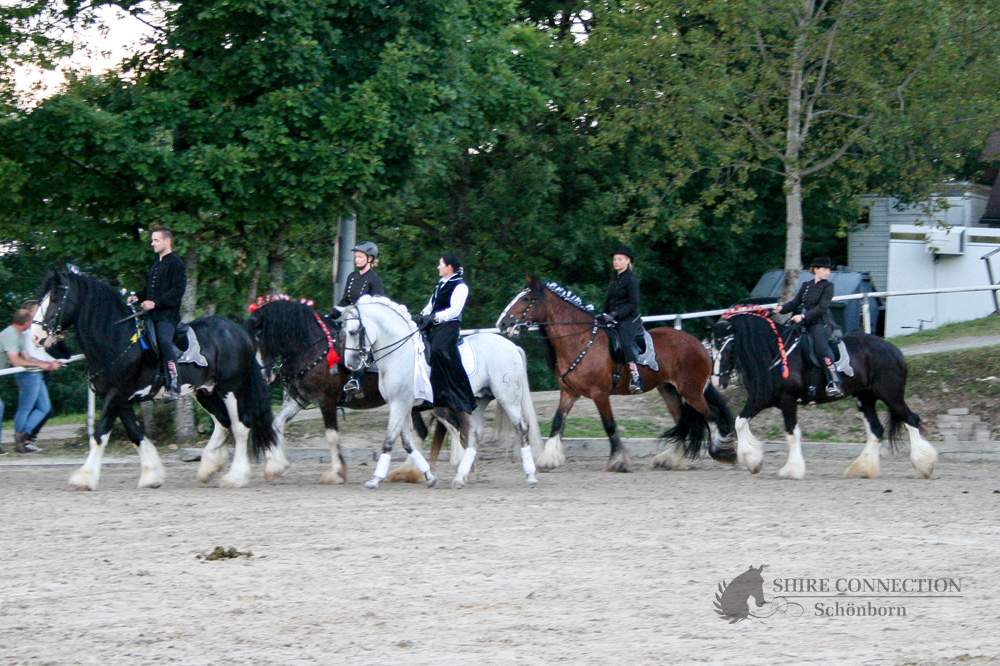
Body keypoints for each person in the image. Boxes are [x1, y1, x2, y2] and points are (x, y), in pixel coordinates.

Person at [413, 254, 476, 415]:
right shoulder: (441, 285)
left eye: (440, 264)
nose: (438, 267)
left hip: (449, 326)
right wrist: (422, 315)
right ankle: (422, 392)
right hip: (434, 325)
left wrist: (435, 317)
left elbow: (455, 310)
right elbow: (431, 305)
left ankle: (443, 396)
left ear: (449, 267)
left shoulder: (460, 286)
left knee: (437, 350)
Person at [774, 257, 844, 398]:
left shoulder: (828, 287)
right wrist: (781, 308)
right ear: (816, 270)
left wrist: (803, 317)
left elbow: (822, 307)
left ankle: (833, 381)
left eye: (828, 270)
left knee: (820, 347)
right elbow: (795, 303)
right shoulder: (806, 285)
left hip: (821, 324)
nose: (827, 272)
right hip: (806, 323)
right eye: (824, 269)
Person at [130, 227, 186, 399]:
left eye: (156, 240)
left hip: (167, 316)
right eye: (152, 240)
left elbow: (178, 291)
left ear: (167, 241)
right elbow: (148, 289)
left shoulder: (176, 263)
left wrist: (155, 303)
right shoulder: (155, 263)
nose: (152, 243)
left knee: (163, 341)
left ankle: (174, 383)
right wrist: (137, 297)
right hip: (149, 315)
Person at [0, 307, 62, 453]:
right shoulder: (10, 334)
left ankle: (23, 437)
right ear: (27, 323)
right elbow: (16, 361)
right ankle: (21, 439)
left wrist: (48, 364)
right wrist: (43, 364)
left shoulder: (19, 335)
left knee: (44, 407)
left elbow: (27, 358)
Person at [334, 241, 385, 395]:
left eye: (360, 257)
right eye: (356, 257)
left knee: (357, 343)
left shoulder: (374, 279)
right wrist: (332, 314)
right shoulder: (352, 277)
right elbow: (345, 300)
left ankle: (356, 379)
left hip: (367, 322)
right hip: (350, 319)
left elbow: (377, 304)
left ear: (369, 259)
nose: (356, 260)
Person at [20, 300, 69, 447]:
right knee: (27, 408)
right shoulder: (25, 334)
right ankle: (24, 438)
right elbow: (28, 357)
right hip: (30, 373)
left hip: (38, 373)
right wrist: (49, 364)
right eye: (36, 311)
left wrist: (54, 362)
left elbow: (42, 352)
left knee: (44, 408)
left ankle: (26, 436)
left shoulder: (36, 331)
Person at [597, 245, 644, 394]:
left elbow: (633, 303)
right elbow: (609, 298)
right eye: (615, 259)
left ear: (627, 261)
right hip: (613, 316)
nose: (616, 262)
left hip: (629, 318)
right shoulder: (614, 277)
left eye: (620, 259)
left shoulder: (631, 279)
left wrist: (615, 314)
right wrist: (602, 314)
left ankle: (636, 378)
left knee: (625, 342)